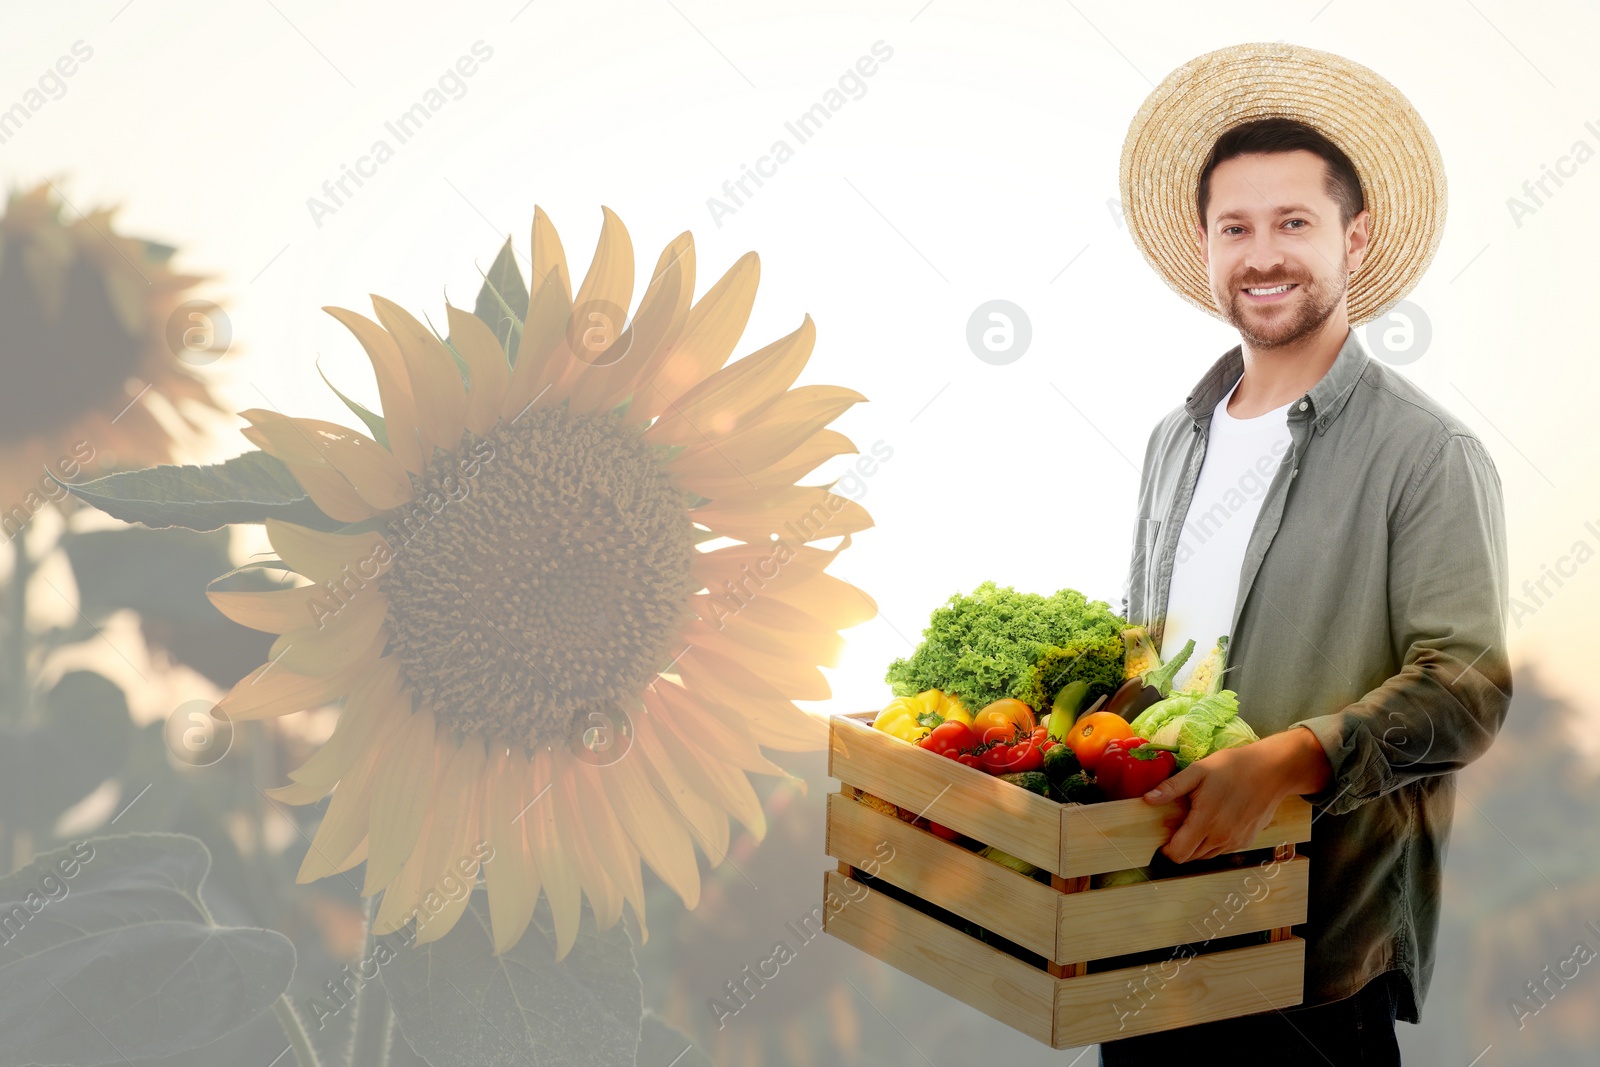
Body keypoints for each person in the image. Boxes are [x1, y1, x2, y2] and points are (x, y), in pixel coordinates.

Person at [1101, 43, 1512, 1066]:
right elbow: (1149, 646)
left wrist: (1290, 755)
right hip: (1144, 933)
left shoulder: (1426, 452)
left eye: (1294, 222)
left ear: (1353, 239)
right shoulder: (1175, 437)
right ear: (1204, 246)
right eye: (1235, 227)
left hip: (1311, 953)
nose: (1263, 254)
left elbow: (1464, 688)